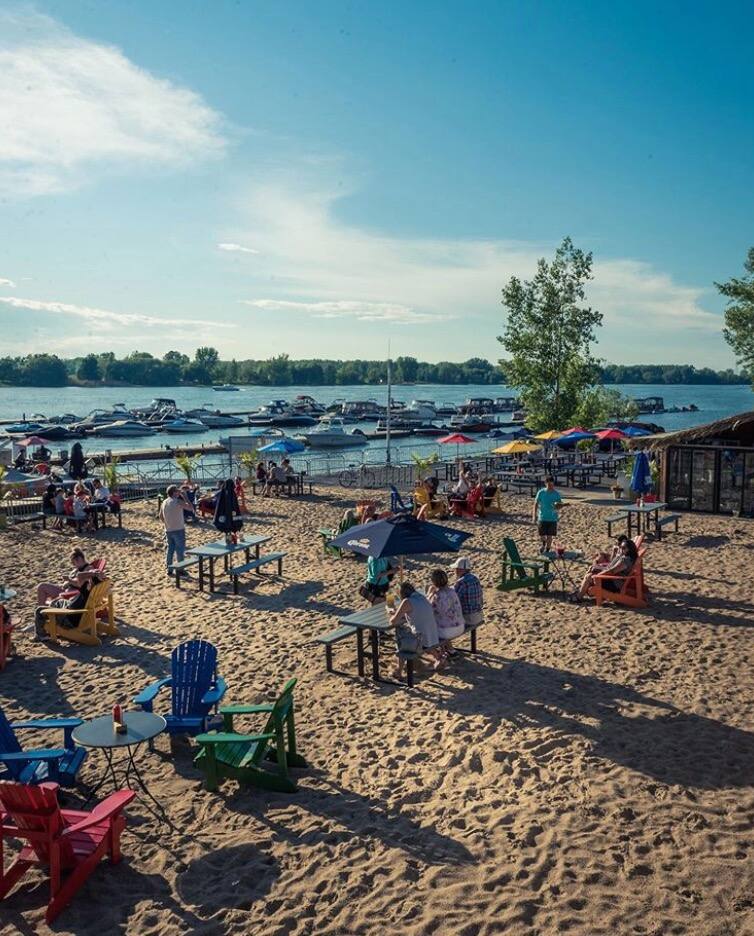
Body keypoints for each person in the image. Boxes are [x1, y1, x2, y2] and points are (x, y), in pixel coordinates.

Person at [35, 548, 103, 638]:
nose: (74, 565)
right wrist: (96, 574)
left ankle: (41, 634)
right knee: (52, 601)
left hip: (69, 618)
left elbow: (80, 577)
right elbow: (81, 577)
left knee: (40, 610)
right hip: (72, 609)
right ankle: (42, 619)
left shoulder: (84, 589)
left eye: (74, 562)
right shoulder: (90, 591)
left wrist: (70, 580)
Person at [389, 581, 442, 677]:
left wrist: (391, 613)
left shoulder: (407, 601)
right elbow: (416, 613)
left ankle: (398, 671)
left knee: (401, 636)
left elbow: (393, 621)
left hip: (419, 641)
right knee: (422, 634)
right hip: (433, 636)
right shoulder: (421, 597)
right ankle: (438, 657)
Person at [572, 538, 638, 602]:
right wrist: (598, 569)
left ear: (630, 550)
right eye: (620, 547)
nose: (621, 549)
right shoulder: (624, 557)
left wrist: (598, 575)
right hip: (613, 579)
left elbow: (612, 571)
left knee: (589, 576)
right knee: (592, 570)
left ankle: (578, 597)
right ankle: (579, 592)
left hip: (615, 584)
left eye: (624, 548)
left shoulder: (626, 560)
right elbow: (611, 567)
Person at [427, 568, 465, 658]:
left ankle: (443, 651)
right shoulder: (452, 591)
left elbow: (426, 609)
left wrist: (429, 594)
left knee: (430, 627)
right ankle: (450, 649)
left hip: (448, 631)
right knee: (443, 621)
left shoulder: (437, 596)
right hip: (460, 626)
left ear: (434, 582)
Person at [161, 485, 191, 571]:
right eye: (177, 491)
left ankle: (169, 569)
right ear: (174, 492)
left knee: (170, 550)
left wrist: (168, 522)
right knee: (179, 550)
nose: (179, 492)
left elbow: (161, 516)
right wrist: (185, 497)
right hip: (178, 529)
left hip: (168, 529)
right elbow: (190, 508)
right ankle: (180, 569)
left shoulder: (164, 502)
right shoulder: (177, 501)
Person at [452, 556, 484, 632]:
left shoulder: (461, 582)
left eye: (456, 569)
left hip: (469, 618)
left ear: (460, 570)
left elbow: (454, 600)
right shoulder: (475, 578)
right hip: (479, 615)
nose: (454, 571)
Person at [532, 476, 564, 551]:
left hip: (552, 518)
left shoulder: (556, 494)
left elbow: (560, 505)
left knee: (550, 536)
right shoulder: (541, 492)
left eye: (552, 485)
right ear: (545, 484)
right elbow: (535, 504)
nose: (551, 487)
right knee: (541, 534)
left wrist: (558, 506)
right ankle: (544, 543)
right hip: (542, 517)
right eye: (549, 485)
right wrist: (534, 515)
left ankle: (547, 549)